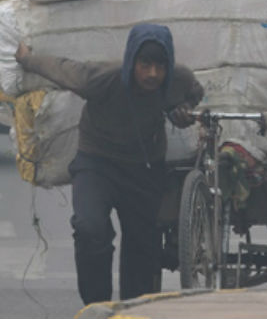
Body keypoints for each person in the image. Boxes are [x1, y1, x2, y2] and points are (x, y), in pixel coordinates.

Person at [15, 24, 202, 305]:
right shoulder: (103, 79)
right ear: (131, 62)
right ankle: (97, 305)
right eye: (145, 64)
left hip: (144, 168)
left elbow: (194, 94)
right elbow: (63, 69)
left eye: (160, 66)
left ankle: (132, 310)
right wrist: (27, 58)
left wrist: (182, 111)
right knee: (90, 228)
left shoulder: (178, 78)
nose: (152, 74)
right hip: (97, 164)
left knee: (142, 244)